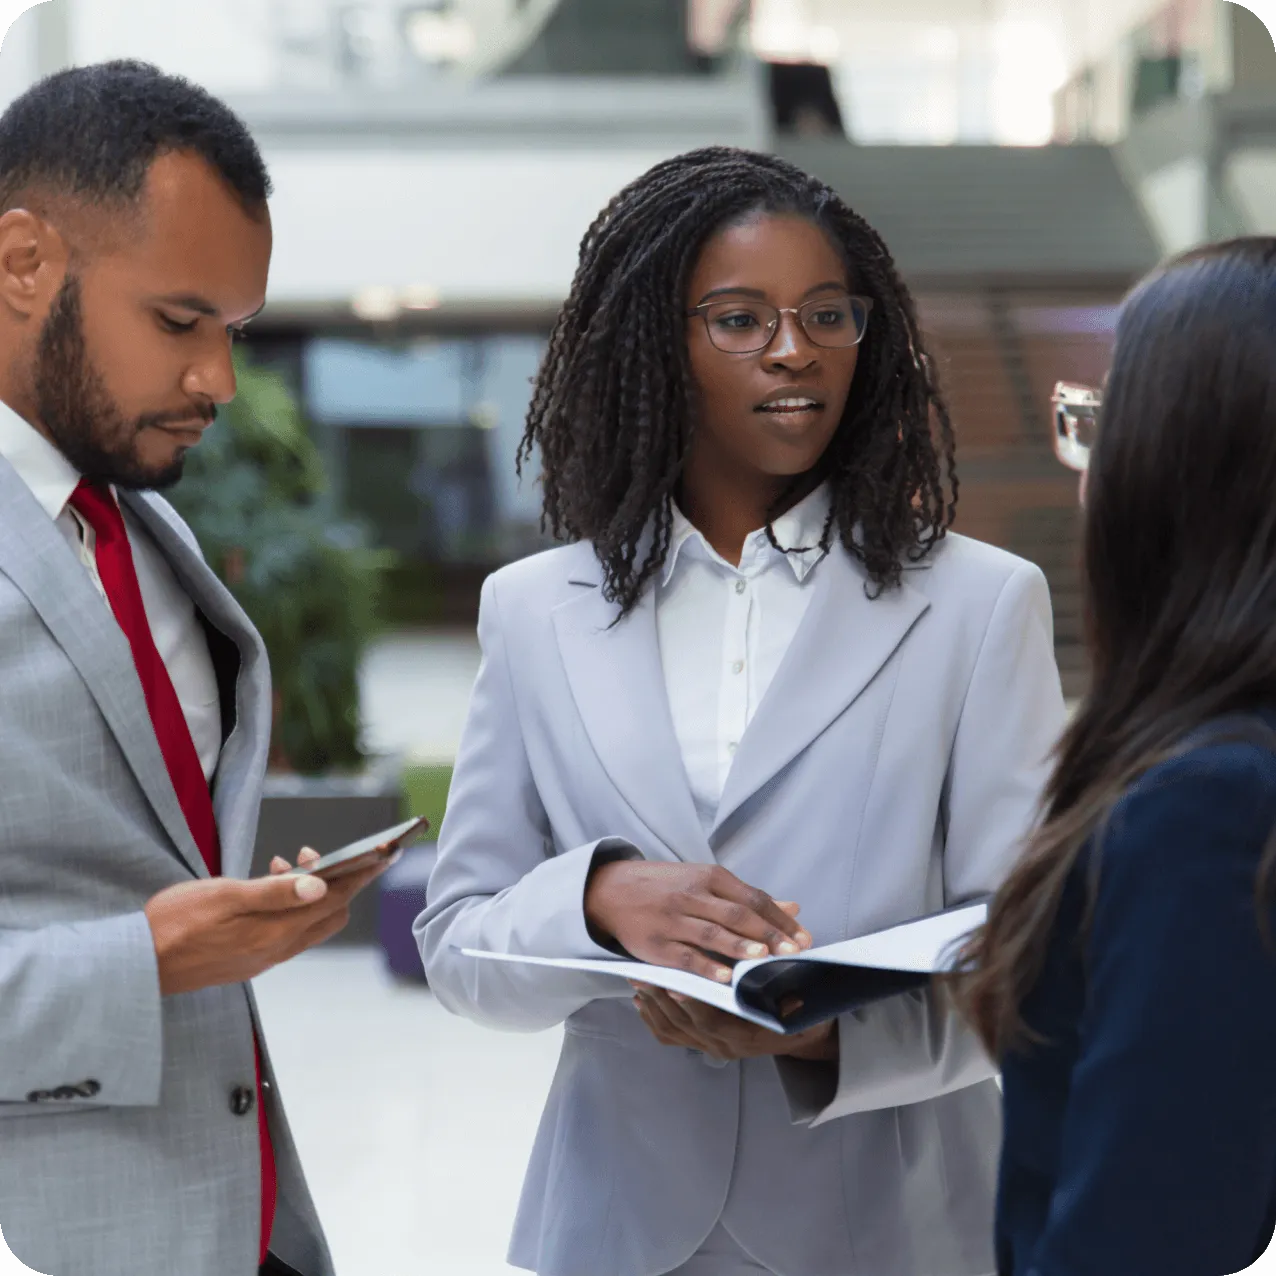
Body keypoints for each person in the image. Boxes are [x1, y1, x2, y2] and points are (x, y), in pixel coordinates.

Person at [417, 145, 1066, 1276]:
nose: (792, 347)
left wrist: (829, 1033)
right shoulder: (532, 611)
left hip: (894, 1231)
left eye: (828, 313)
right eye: (736, 317)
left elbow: (1024, 956)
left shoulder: (979, 604)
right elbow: (460, 946)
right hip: (618, 1230)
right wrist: (600, 896)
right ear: (653, 347)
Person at [0, 62, 390, 1276]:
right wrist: (153, 959)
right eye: (180, 322)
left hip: (246, 1223)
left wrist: (234, 924)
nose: (218, 379)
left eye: (235, 329)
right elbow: (142, 940)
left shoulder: (142, 527)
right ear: (23, 264)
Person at [955, 237, 1276, 1276]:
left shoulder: (1206, 806)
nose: (1086, 487)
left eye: (1100, 429)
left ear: (1176, 469)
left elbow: (1145, 1238)